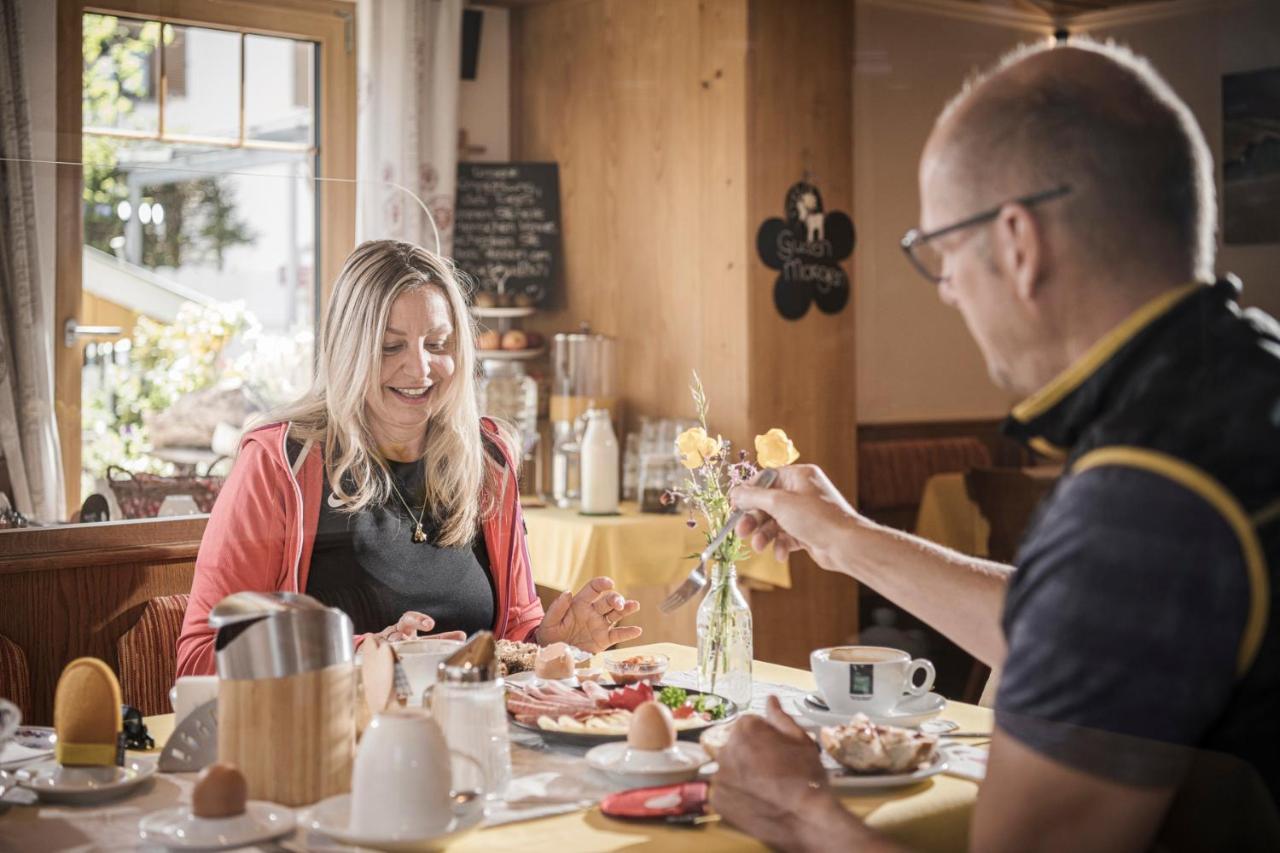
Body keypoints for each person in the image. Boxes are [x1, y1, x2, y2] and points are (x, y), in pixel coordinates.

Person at [714, 38, 1280, 852]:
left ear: (1017, 241)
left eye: (942, 255)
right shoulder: (1238, 384)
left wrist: (794, 811)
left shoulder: (1144, 501)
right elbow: (1081, 626)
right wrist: (846, 540)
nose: (948, 292)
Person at [177, 240, 641, 676]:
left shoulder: (487, 459)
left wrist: (548, 641)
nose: (419, 369)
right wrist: (362, 657)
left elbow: (507, 640)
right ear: (347, 351)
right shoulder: (280, 462)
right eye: (390, 346)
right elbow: (201, 658)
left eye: (437, 344)